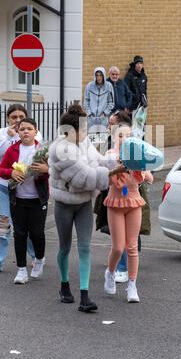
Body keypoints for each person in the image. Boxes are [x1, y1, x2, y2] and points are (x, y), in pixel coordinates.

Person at [48, 104, 124, 313]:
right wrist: (114, 171)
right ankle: (64, 286)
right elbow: (86, 179)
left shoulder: (83, 143)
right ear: (69, 131)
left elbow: (98, 161)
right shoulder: (61, 150)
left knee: (84, 247)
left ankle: (84, 295)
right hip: (65, 204)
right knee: (64, 247)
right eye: (83, 129)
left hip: (83, 204)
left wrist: (115, 160)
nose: (86, 132)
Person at [0, 104, 41, 274]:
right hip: (5, 186)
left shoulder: (33, 132)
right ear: (8, 119)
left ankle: (36, 258)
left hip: (27, 189)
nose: (17, 120)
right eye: (13, 117)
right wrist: (8, 138)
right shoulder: (1, 134)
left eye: (20, 116)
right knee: (2, 223)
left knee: (28, 226)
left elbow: (40, 157)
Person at [104, 123, 153, 303]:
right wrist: (117, 167)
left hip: (133, 202)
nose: (125, 139)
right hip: (115, 204)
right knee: (118, 248)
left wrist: (141, 169)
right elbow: (105, 181)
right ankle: (110, 273)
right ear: (114, 137)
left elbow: (149, 178)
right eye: (121, 136)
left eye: (128, 135)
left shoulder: (137, 156)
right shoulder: (110, 156)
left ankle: (132, 285)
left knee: (132, 247)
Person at [0, 118, 48, 284]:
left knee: (37, 234)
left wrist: (46, 170)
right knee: (19, 234)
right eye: (22, 129)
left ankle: (39, 259)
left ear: (36, 131)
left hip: (37, 200)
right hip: (17, 200)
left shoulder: (42, 150)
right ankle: (21, 270)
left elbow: (54, 171)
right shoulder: (12, 150)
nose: (26, 131)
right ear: (18, 132)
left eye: (29, 129)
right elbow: (1, 170)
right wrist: (11, 173)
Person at [84, 67, 114, 132]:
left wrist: (105, 113)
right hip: (91, 119)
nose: (99, 77)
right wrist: (89, 113)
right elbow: (86, 101)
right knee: (91, 139)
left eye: (100, 75)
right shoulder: (89, 86)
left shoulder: (109, 86)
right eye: (97, 75)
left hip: (103, 119)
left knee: (103, 139)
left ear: (103, 76)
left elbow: (111, 102)